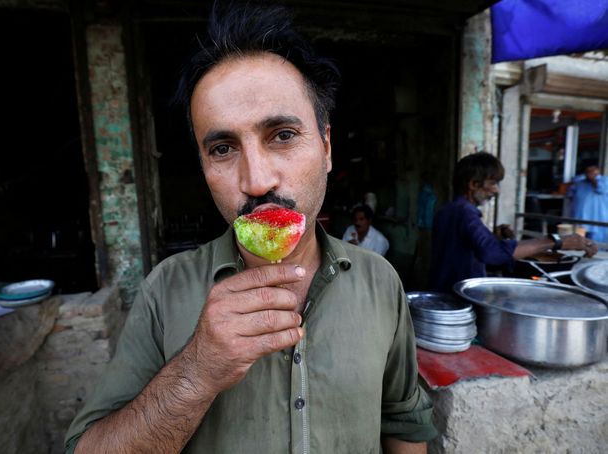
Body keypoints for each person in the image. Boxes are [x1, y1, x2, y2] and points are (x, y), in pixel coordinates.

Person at [65, 3, 436, 453]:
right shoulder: (164, 291)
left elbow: (404, 425)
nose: (257, 180)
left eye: (282, 135)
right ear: (204, 167)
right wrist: (197, 370)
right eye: (223, 148)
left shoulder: (381, 281)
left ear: (326, 146)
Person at [430, 152, 598, 293]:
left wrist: (495, 239)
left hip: (445, 289)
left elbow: (467, 249)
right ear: (474, 184)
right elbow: (491, 253)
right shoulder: (464, 212)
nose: (496, 190)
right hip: (455, 296)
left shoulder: (449, 210)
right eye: (493, 183)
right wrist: (555, 241)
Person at [567, 165, 608, 246]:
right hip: (579, 218)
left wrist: (594, 179)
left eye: (593, 173)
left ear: (597, 173)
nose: (590, 175)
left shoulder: (604, 181)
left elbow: (601, 189)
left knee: (596, 244)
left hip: (597, 219)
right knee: (577, 241)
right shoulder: (579, 182)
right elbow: (570, 195)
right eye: (588, 173)